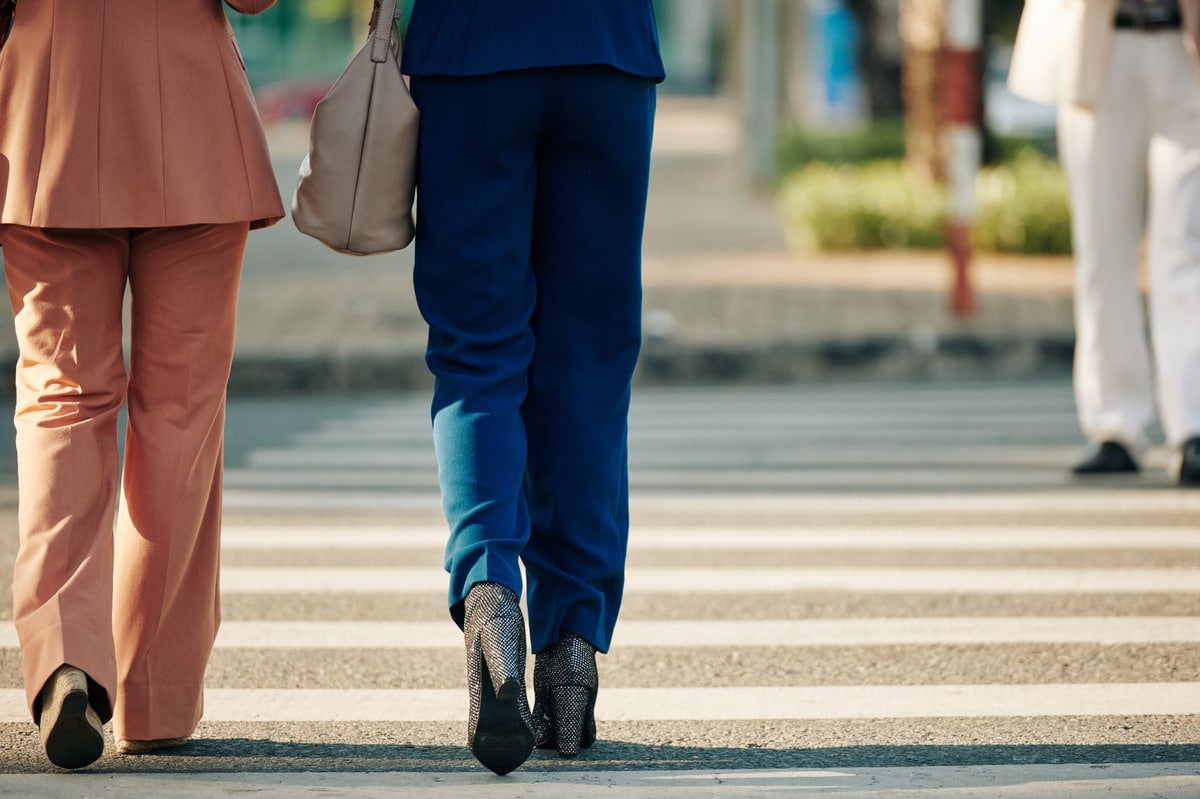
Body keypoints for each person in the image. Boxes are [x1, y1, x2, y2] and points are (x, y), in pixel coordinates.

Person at [0, 0, 283, 769]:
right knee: (180, 414)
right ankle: (153, 696)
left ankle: (67, 658)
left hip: (48, 106)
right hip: (194, 123)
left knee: (61, 397)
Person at [400, 0, 665, 775]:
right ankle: (571, 656)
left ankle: (488, 593)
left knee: (476, 351)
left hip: (470, 53)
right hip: (608, 50)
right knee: (588, 362)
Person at [1009, 0, 1200, 485]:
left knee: (1187, 239)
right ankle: (1116, 424)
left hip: (1187, 44)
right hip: (1101, 47)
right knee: (1103, 244)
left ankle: (1192, 426)